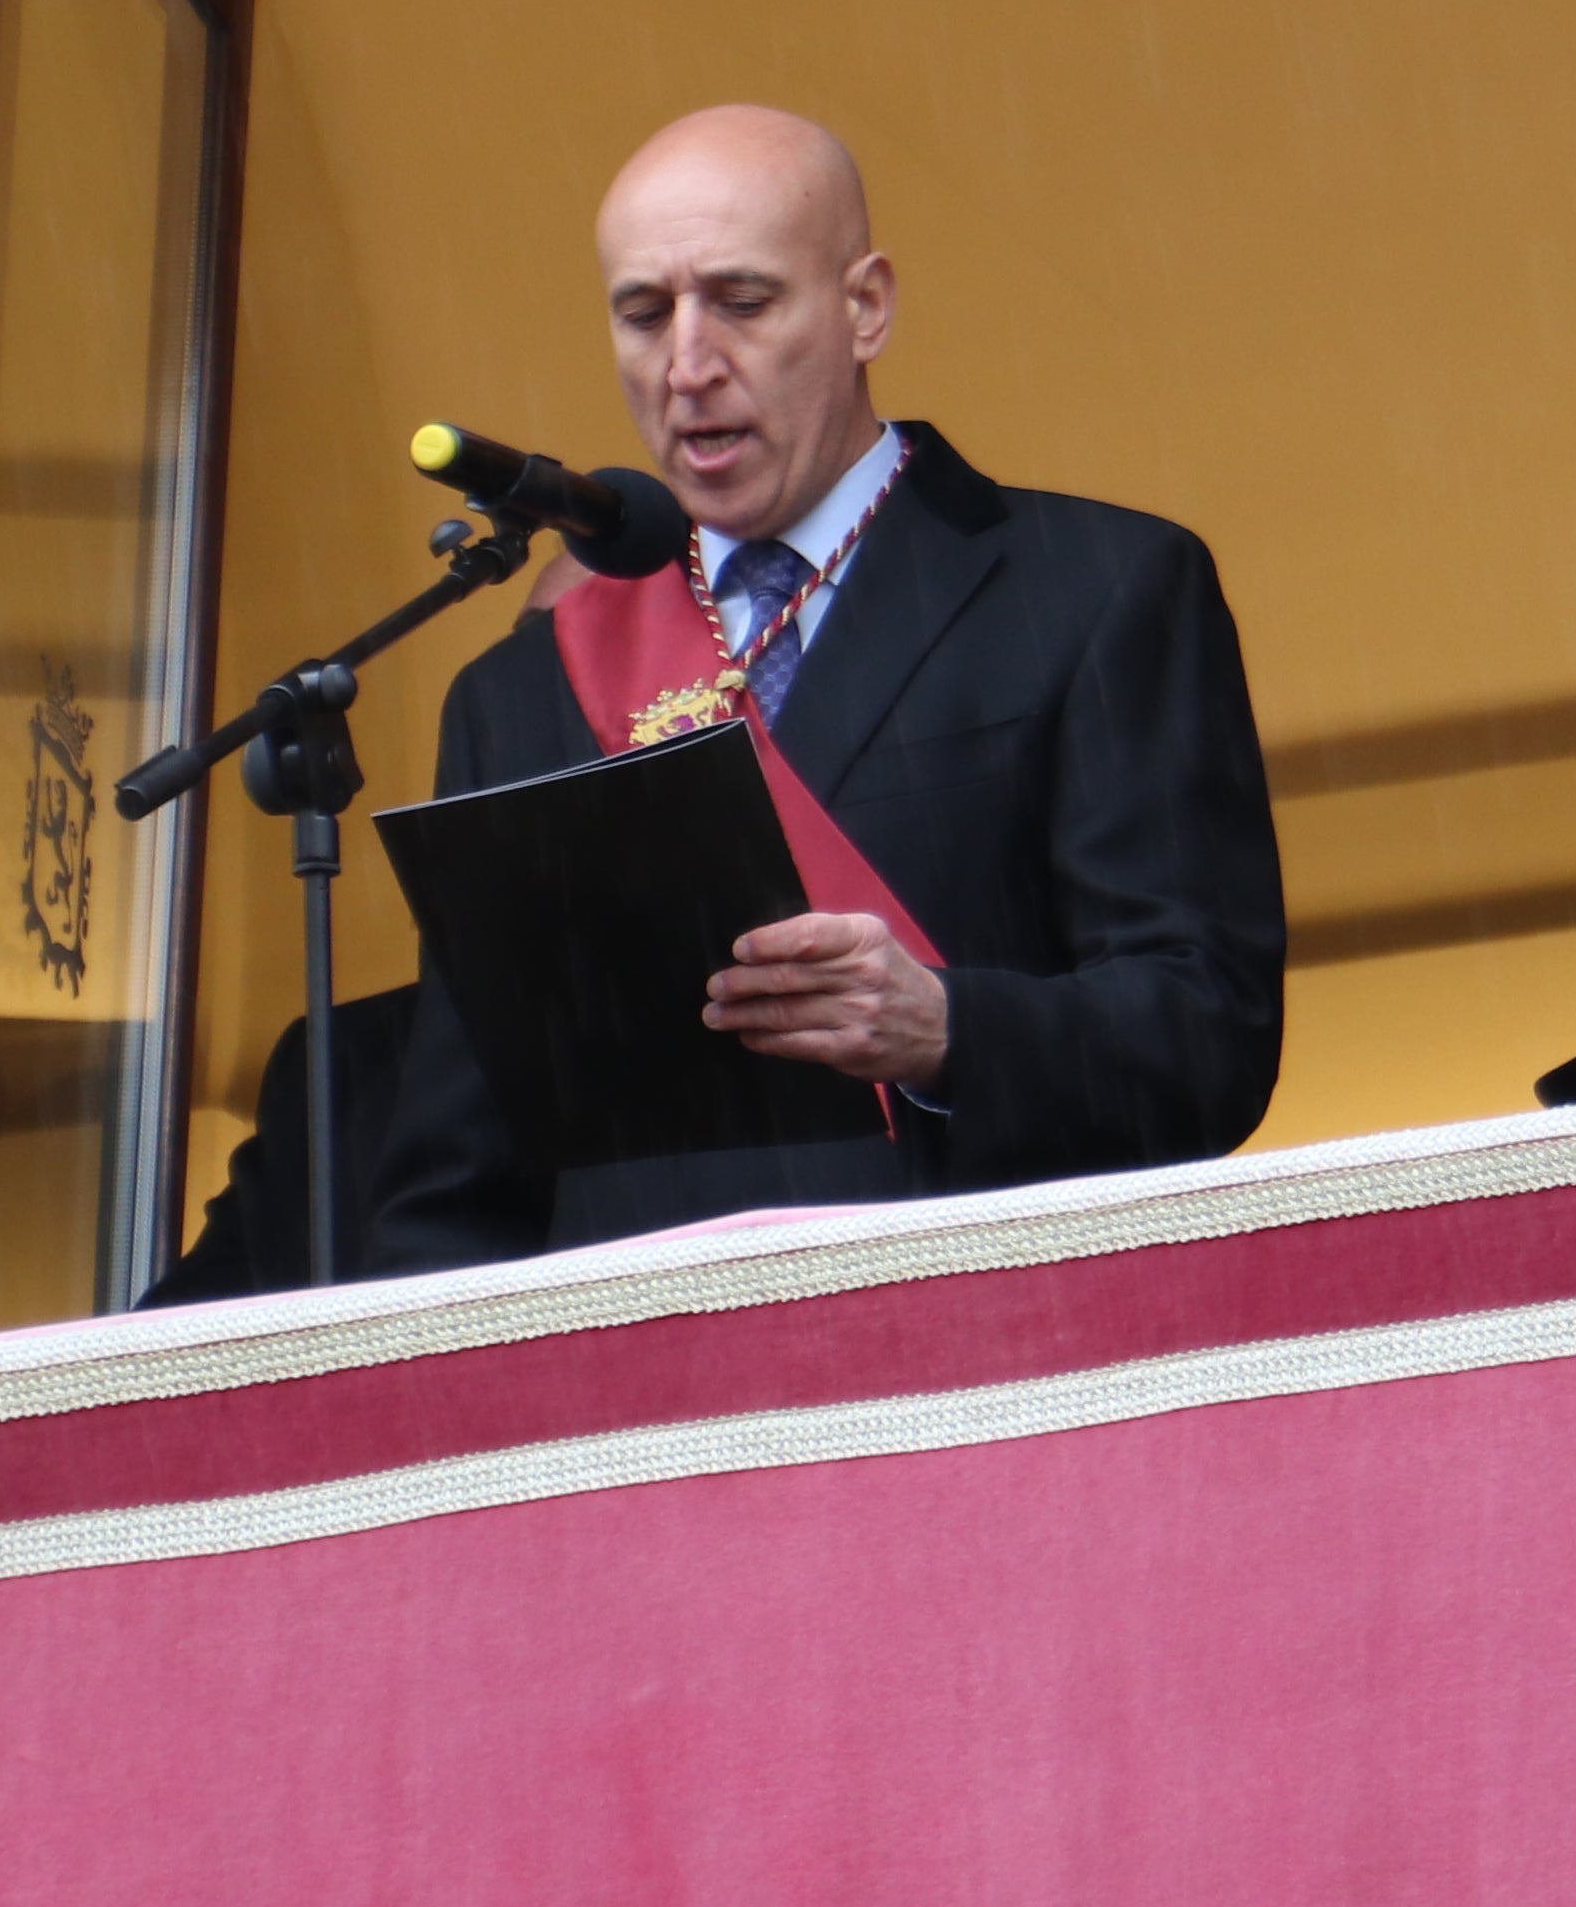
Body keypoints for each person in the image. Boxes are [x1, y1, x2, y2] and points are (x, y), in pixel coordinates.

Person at [361, 104, 1286, 1263]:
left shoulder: (1099, 590)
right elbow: (458, 1174)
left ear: (865, 306)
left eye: (742, 302)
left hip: (988, 1353)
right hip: (649, 1399)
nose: (689, 365)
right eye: (644, 313)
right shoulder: (519, 695)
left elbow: (1213, 1040)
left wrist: (949, 1027)